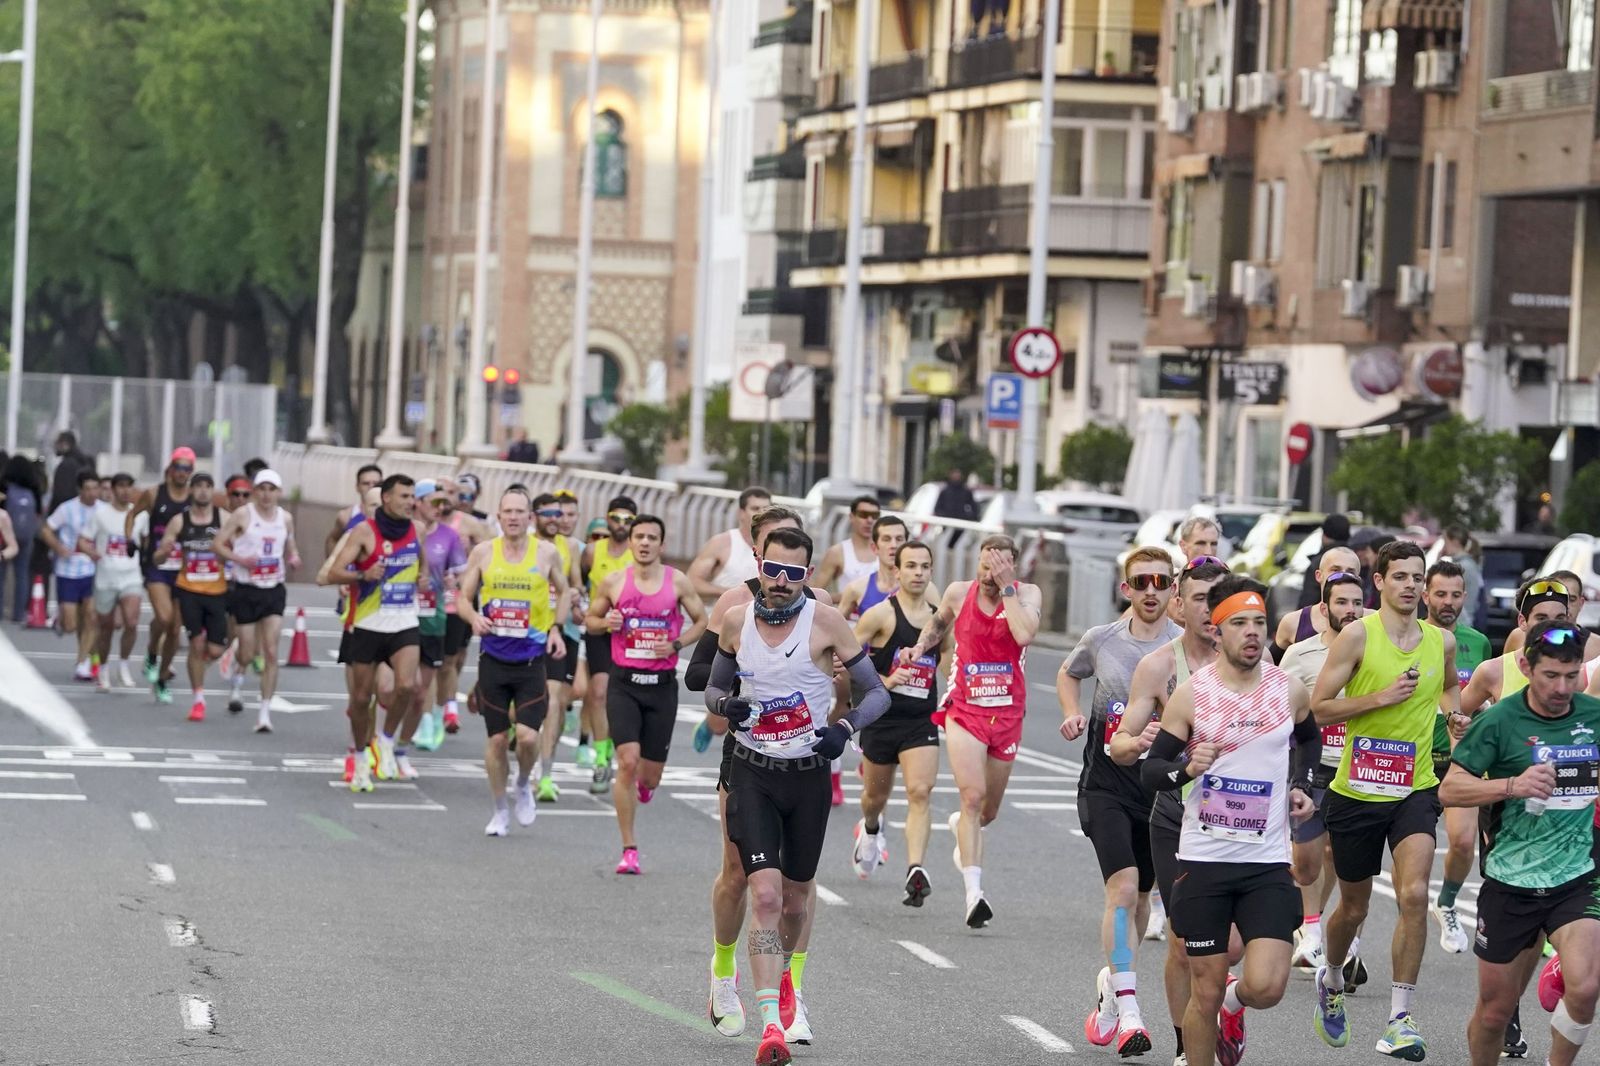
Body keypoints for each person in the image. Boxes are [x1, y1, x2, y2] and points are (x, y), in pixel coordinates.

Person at [703, 526, 891, 1066]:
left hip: (807, 775)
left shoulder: (827, 622)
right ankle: (769, 1024)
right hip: (752, 772)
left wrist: (846, 727)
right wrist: (728, 706)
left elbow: (876, 693)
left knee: (795, 900)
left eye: (793, 574)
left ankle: (786, 981)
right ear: (758, 565)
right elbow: (713, 688)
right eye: (773, 570)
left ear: (808, 575)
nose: (781, 583)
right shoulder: (737, 621)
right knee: (762, 895)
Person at [1141, 576, 1319, 1066]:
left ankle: (1234, 1009)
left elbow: (1310, 739)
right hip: (1204, 863)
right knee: (1205, 989)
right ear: (1217, 632)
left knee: (1267, 985)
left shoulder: (1288, 690)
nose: (1252, 633)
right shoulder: (1194, 696)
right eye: (1239, 623)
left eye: (1259, 622)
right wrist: (1186, 769)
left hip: (1264, 864)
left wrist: (1303, 785)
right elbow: (1151, 772)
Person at [683, 504, 829, 1046]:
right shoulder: (735, 605)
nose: (781, 573)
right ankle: (725, 970)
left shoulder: (823, 608)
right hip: (747, 754)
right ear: (756, 552)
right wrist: (735, 694)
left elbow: (849, 682)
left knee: (798, 888)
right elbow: (701, 674)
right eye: (771, 554)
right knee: (741, 877)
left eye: (793, 561)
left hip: (805, 758)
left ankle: (790, 991)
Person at [1309, 539, 1458, 1060]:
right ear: (1379, 581)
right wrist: (1380, 698)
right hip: (1355, 791)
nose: (1411, 586)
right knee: (1353, 907)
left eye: (1417, 578)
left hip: (1414, 787)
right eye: (1400, 577)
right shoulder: (1356, 637)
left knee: (1415, 893)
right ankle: (1329, 979)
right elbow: (1319, 709)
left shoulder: (1441, 642)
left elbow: (1448, 696)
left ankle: (1398, 1018)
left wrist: (1455, 719)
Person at [1440, 620, 1600, 1066]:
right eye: (1551, 675)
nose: (1562, 687)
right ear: (1527, 666)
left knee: (1585, 987)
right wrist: (1513, 785)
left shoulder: (1594, 717)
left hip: (1577, 876)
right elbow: (1451, 789)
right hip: (1511, 881)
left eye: (1572, 676)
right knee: (1494, 1015)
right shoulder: (1500, 720)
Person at [1060, 546, 1182, 1056]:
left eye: (1160, 581)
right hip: (1105, 786)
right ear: (1126, 588)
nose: (1151, 590)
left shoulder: (1185, 648)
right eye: (1141, 582)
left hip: (1156, 791)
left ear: (1172, 588)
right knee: (1124, 889)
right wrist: (1071, 712)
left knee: (1141, 901)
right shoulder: (1101, 640)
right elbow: (1070, 672)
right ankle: (1132, 1015)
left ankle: (1115, 986)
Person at [1108, 555, 1230, 1065]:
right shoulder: (1160, 665)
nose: (1210, 610)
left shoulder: (1256, 658)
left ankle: (1230, 1008)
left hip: (1238, 821)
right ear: (1181, 605)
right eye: (1200, 598)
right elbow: (1119, 743)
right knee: (1184, 944)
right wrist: (1138, 742)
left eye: (1218, 599)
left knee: (1236, 946)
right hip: (1177, 816)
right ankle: (1187, 1047)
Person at [911, 535, 1042, 929]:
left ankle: (961, 829)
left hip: (1007, 714)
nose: (988, 574)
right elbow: (936, 626)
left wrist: (1007, 589)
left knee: (987, 811)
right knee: (972, 796)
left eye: (997, 567)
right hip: (964, 709)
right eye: (984, 565)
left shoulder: (1026, 594)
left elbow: (1025, 634)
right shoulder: (957, 592)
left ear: (1012, 567)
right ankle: (974, 894)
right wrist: (919, 649)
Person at [586, 513, 708, 873]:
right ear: (632, 540)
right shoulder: (613, 582)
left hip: (661, 689)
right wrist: (605, 623)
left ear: (661, 544)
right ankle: (629, 849)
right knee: (626, 761)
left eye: (651, 538)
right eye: (639, 536)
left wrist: (676, 644)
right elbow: (591, 622)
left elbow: (702, 621)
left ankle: (646, 786)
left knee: (649, 775)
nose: (643, 543)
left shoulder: (677, 582)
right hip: (623, 683)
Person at [456, 487, 572, 836]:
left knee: (526, 737)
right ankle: (499, 809)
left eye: (520, 511)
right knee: (495, 741)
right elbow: (462, 598)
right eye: (507, 511)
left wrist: (556, 628)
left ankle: (522, 783)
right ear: (499, 515)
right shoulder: (483, 552)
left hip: (531, 660)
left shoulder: (547, 553)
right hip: (493, 658)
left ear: (529, 517)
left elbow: (565, 591)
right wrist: (473, 618)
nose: (513, 517)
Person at [850, 539, 949, 902]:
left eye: (925, 566)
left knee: (920, 792)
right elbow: (849, 661)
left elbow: (949, 654)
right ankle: (871, 828)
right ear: (897, 571)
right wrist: (887, 682)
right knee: (875, 797)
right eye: (911, 566)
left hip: (920, 720)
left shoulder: (939, 620)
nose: (919, 573)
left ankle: (915, 869)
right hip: (882, 720)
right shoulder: (880, 615)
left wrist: (949, 683)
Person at [1278, 573, 1366, 977]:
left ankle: (1316, 933)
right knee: (1308, 861)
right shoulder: (1299, 653)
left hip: (1359, 767)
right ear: (1325, 607)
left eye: (1356, 602)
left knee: (1340, 855)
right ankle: (1309, 927)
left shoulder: (1373, 650)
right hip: (1313, 765)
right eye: (1342, 602)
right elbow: (1281, 706)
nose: (1350, 610)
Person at [322, 474, 427, 792]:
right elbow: (332, 572)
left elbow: (421, 563)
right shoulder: (364, 531)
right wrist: (363, 573)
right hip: (367, 624)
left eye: (412, 496)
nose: (411, 502)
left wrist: (421, 577)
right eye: (404, 496)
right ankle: (359, 755)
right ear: (386, 500)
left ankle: (385, 739)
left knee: (408, 686)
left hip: (404, 621)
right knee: (360, 699)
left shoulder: (418, 529)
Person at [1423, 559, 1494, 956]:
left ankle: (1447, 901)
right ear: (1425, 595)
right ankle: (1411, 916)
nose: (1448, 602)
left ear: (1465, 596)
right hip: (1413, 756)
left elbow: (1482, 697)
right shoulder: (1411, 638)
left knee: (1464, 842)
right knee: (1410, 862)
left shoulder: (1478, 642)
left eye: (1455, 595)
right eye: (1440, 594)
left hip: (1459, 756)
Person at [213, 469, 300, 733]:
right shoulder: (243, 515)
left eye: (271, 489)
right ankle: (237, 670)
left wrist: (294, 558)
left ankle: (264, 713)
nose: (266, 494)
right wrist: (241, 560)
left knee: (271, 651)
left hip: (273, 589)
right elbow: (218, 544)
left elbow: (291, 545)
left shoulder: (285, 518)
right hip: (246, 589)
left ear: (278, 493)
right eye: (261, 488)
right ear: (254, 491)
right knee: (249, 653)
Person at [153, 473, 231, 722]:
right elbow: (159, 554)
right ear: (191, 491)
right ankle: (198, 699)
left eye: (208, 487)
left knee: (216, 650)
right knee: (196, 644)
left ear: (213, 491)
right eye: (198, 487)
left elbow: (241, 543)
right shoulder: (179, 521)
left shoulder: (224, 518)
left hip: (218, 590)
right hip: (188, 589)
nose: (203, 492)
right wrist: (163, 553)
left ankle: (200, 663)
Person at [579, 496, 635, 793]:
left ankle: (621, 753)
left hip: (630, 636)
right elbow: (578, 582)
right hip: (600, 630)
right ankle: (601, 759)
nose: (621, 525)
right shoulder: (591, 551)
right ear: (607, 518)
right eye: (616, 518)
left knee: (620, 697)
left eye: (628, 520)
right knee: (598, 691)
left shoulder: (639, 554)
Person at [131, 449, 196, 703]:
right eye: (178, 467)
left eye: (187, 468)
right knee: (165, 616)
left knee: (175, 631)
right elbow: (131, 514)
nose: (182, 472)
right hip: (157, 564)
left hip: (183, 569)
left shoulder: (194, 498)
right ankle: (150, 653)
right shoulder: (153, 494)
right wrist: (129, 539)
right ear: (170, 468)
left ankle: (161, 678)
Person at [531, 491, 583, 801]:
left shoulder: (571, 547)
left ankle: (545, 773)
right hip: (526, 632)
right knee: (534, 701)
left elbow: (576, 583)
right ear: (534, 516)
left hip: (562, 632)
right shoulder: (524, 545)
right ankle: (528, 749)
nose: (556, 520)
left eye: (559, 514)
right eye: (549, 514)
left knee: (555, 702)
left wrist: (576, 597)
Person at [408, 480, 467, 751]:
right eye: (433, 502)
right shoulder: (404, 532)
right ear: (417, 503)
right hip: (399, 613)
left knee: (429, 674)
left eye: (442, 503)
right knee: (400, 679)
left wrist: (453, 580)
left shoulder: (448, 536)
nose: (439, 507)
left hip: (433, 613)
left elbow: (462, 572)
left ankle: (427, 721)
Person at [435, 475, 493, 734]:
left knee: (455, 657)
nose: (446, 497)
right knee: (438, 660)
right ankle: (445, 709)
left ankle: (443, 702)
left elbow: (494, 552)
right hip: (428, 600)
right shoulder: (425, 524)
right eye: (441, 491)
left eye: (452, 492)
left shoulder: (469, 524)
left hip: (463, 598)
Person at [39, 469, 101, 681]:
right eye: (88, 489)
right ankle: (60, 619)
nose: (93, 493)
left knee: (91, 617)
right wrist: (58, 547)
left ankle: (82, 662)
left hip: (93, 570)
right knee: (72, 625)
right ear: (80, 490)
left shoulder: (103, 509)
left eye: (96, 488)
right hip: (68, 569)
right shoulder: (67, 509)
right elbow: (46, 529)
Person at [90, 473, 145, 691]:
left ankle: (123, 664)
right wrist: (93, 553)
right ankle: (103, 668)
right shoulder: (101, 515)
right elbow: (83, 540)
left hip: (131, 575)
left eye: (128, 486)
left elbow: (148, 542)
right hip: (106, 577)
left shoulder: (140, 516)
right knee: (107, 627)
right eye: (120, 486)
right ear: (112, 490)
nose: (125, 491)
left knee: (131, 622)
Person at [1273, 546, 1362, 656]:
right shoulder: (1293, 623)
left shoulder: (1373, 620)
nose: (1342, 576)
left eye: (1350, 572)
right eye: (1335, 570)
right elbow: (1269, 668)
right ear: (1319, 575)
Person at [687, 486, 773, 598]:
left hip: (760, 614)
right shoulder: (721, 543)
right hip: (722, 612)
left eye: (766, 509)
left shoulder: (777, 546)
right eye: (755, 508)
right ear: (741, 513)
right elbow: (692, 581)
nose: (762, 514)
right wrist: (730, 594)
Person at [837, 515, 910, 622]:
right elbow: (835, 630)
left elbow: (940, 629)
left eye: (899, 539)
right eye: (886, 539)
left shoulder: (925, 589)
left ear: (907, 546)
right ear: (874, 548)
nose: (893, 545)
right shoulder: (856, 588)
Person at [813, 495, 883, 593]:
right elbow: (815, 593)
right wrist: (848, 598)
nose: (869, 520)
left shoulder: (887, 550)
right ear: (851, 517)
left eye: (874, 516)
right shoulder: (837, 552)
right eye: (863, 515)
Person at [1, 454, 41, 621]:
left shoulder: (5, 487)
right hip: (26, 537)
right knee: (22, 574)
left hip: (5, 535)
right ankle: (19, 613)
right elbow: (38, 514)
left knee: (1, 575)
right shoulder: (34, 489)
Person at [324, 463, 383, 560]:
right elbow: (332, 539)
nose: (371, 487)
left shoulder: (391, 516)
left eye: (376, 483)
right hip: (353, 574)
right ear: (357, 487)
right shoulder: (346, 516)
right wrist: (332, 562)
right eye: (366, 483)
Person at [1297, 514, 1354, 610]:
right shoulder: (1356, 560)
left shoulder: (1320, 563)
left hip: (1323, 620)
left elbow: (1308, 602)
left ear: (1324, 535)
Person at [48, 430, 93, 514]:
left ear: (65, 444)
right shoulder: (85, 463)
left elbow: (61, 495)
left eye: (58, 443)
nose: (55, 446)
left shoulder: (66, 466)